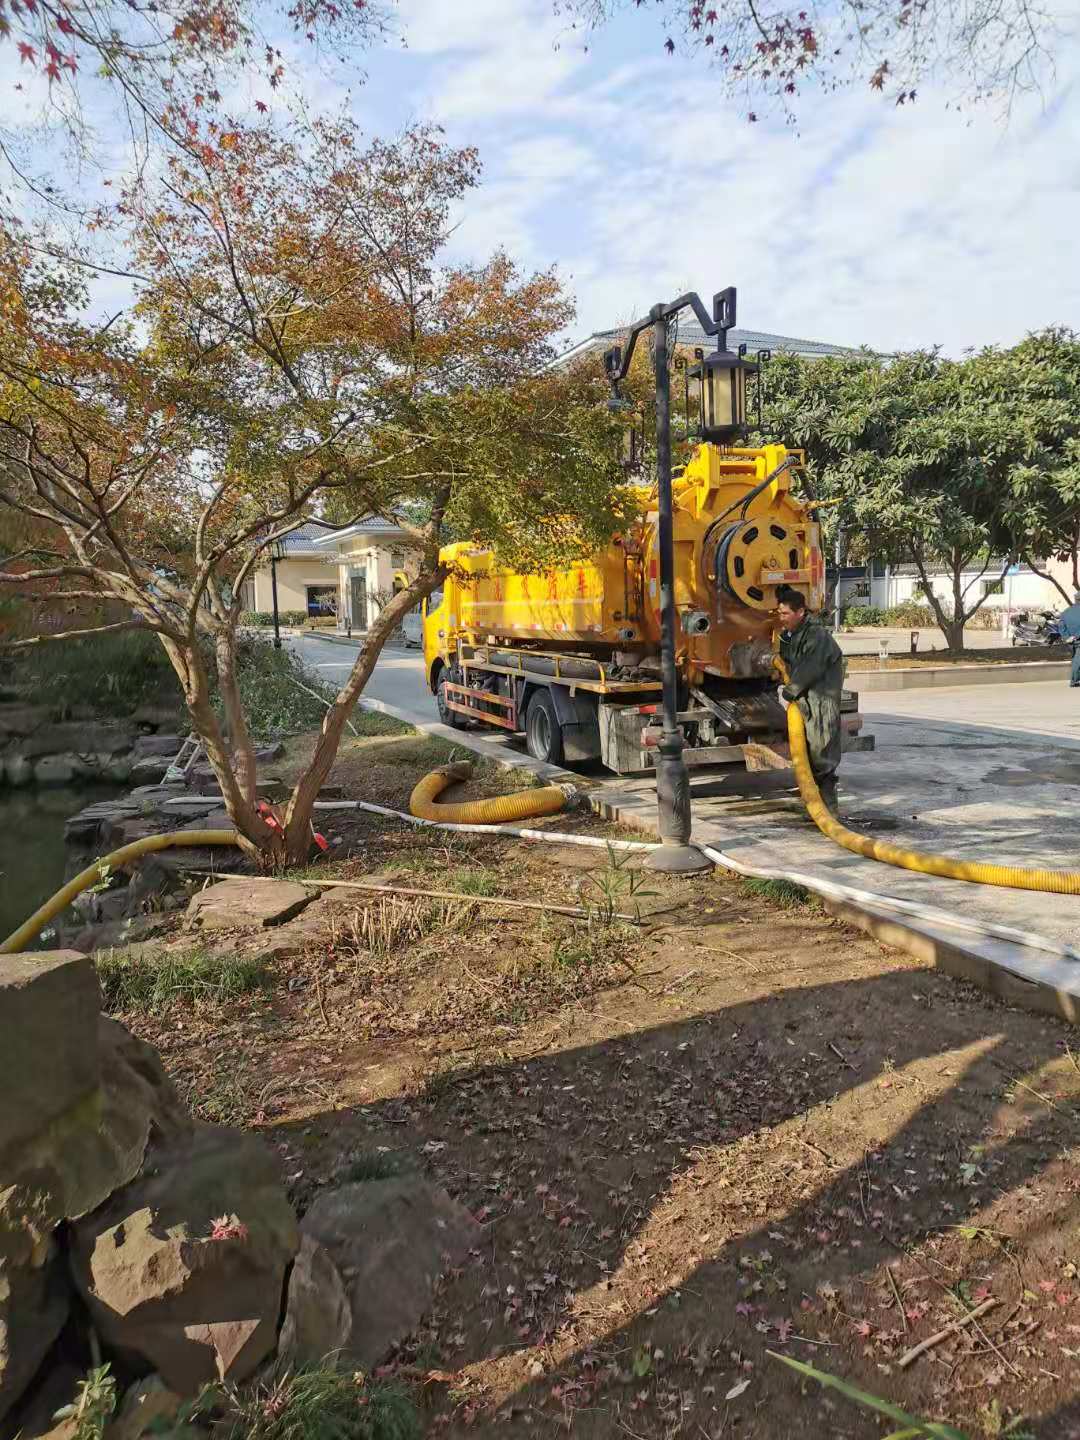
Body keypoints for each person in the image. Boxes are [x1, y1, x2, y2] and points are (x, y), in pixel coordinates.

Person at [776, 586, 845, 816]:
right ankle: (816, 807)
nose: (781, 618)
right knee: (808, 751)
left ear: (801, 612)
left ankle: (828, 810)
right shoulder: (797, 634)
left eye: (785, 614)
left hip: (821, 700)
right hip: (807, 700)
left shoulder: (817, 635)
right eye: (779, 613)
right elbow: (791, 660)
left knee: (820, 750)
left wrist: (789, 692)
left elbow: (809, 668)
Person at [1058, 590, 1080, 688]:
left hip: (1071, 641)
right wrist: (1076, 636)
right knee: (1077, 660)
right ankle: (1074, 681)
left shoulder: (1065, 612)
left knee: (1076, 658)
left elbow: (1062, 627)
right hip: (1078, 639)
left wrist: (1067, 637)